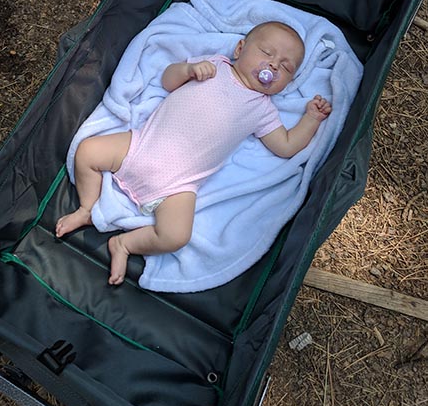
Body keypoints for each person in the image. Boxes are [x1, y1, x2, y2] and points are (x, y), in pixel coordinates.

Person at [55, 21, 332, 285]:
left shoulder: (263, 110)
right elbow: (167, 81)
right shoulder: (214, 66)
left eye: (285, 67)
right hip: (139, 147)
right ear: (239, 50)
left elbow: (285, 145)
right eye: (267, 52)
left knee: (176, 236)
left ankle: (125, 244)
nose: (273, 64)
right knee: (88, 151)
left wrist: (310, 119)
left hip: (177, 186)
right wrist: (187, 71)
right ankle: (88, 208)